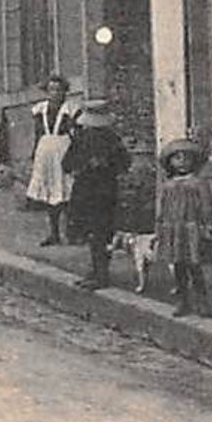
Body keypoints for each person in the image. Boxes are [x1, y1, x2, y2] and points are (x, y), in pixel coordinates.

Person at [62, 99, 132, 290]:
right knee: (94, 233)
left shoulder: (111, 141)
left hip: (102, 191)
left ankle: (101, 274)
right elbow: (67, 164)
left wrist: (105, 164)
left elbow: (124, 163)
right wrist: (84, 166)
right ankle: (96, 271)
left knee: (100, 233)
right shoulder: (82, 139)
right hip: (89, 190)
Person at [156, 138, 212, 316]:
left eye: (186, 158)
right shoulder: (168, 185)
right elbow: (162, 209)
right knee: (178, 266)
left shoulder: (198, 183)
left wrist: (207, 225)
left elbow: (207, 205)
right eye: (177, 158)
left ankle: (202, 302)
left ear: (194, 161)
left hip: (192, 229)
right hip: (174, 230)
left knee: (194, 265)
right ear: (170, 162)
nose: (181, 162)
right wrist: (159, 228)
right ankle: (183, 301)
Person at [26, 73, 77, 245]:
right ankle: (54, 233)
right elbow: (37, 133)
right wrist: (34, 154)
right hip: (45, 150)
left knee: (66, 188)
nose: (55, 93)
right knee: (49, 190)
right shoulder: (40, 110)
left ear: (64, 92)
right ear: (47, 92)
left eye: (58, 90)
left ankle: (71, 232)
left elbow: (75, 133)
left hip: (63, 148)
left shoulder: (70, 109)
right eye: (51, 90)